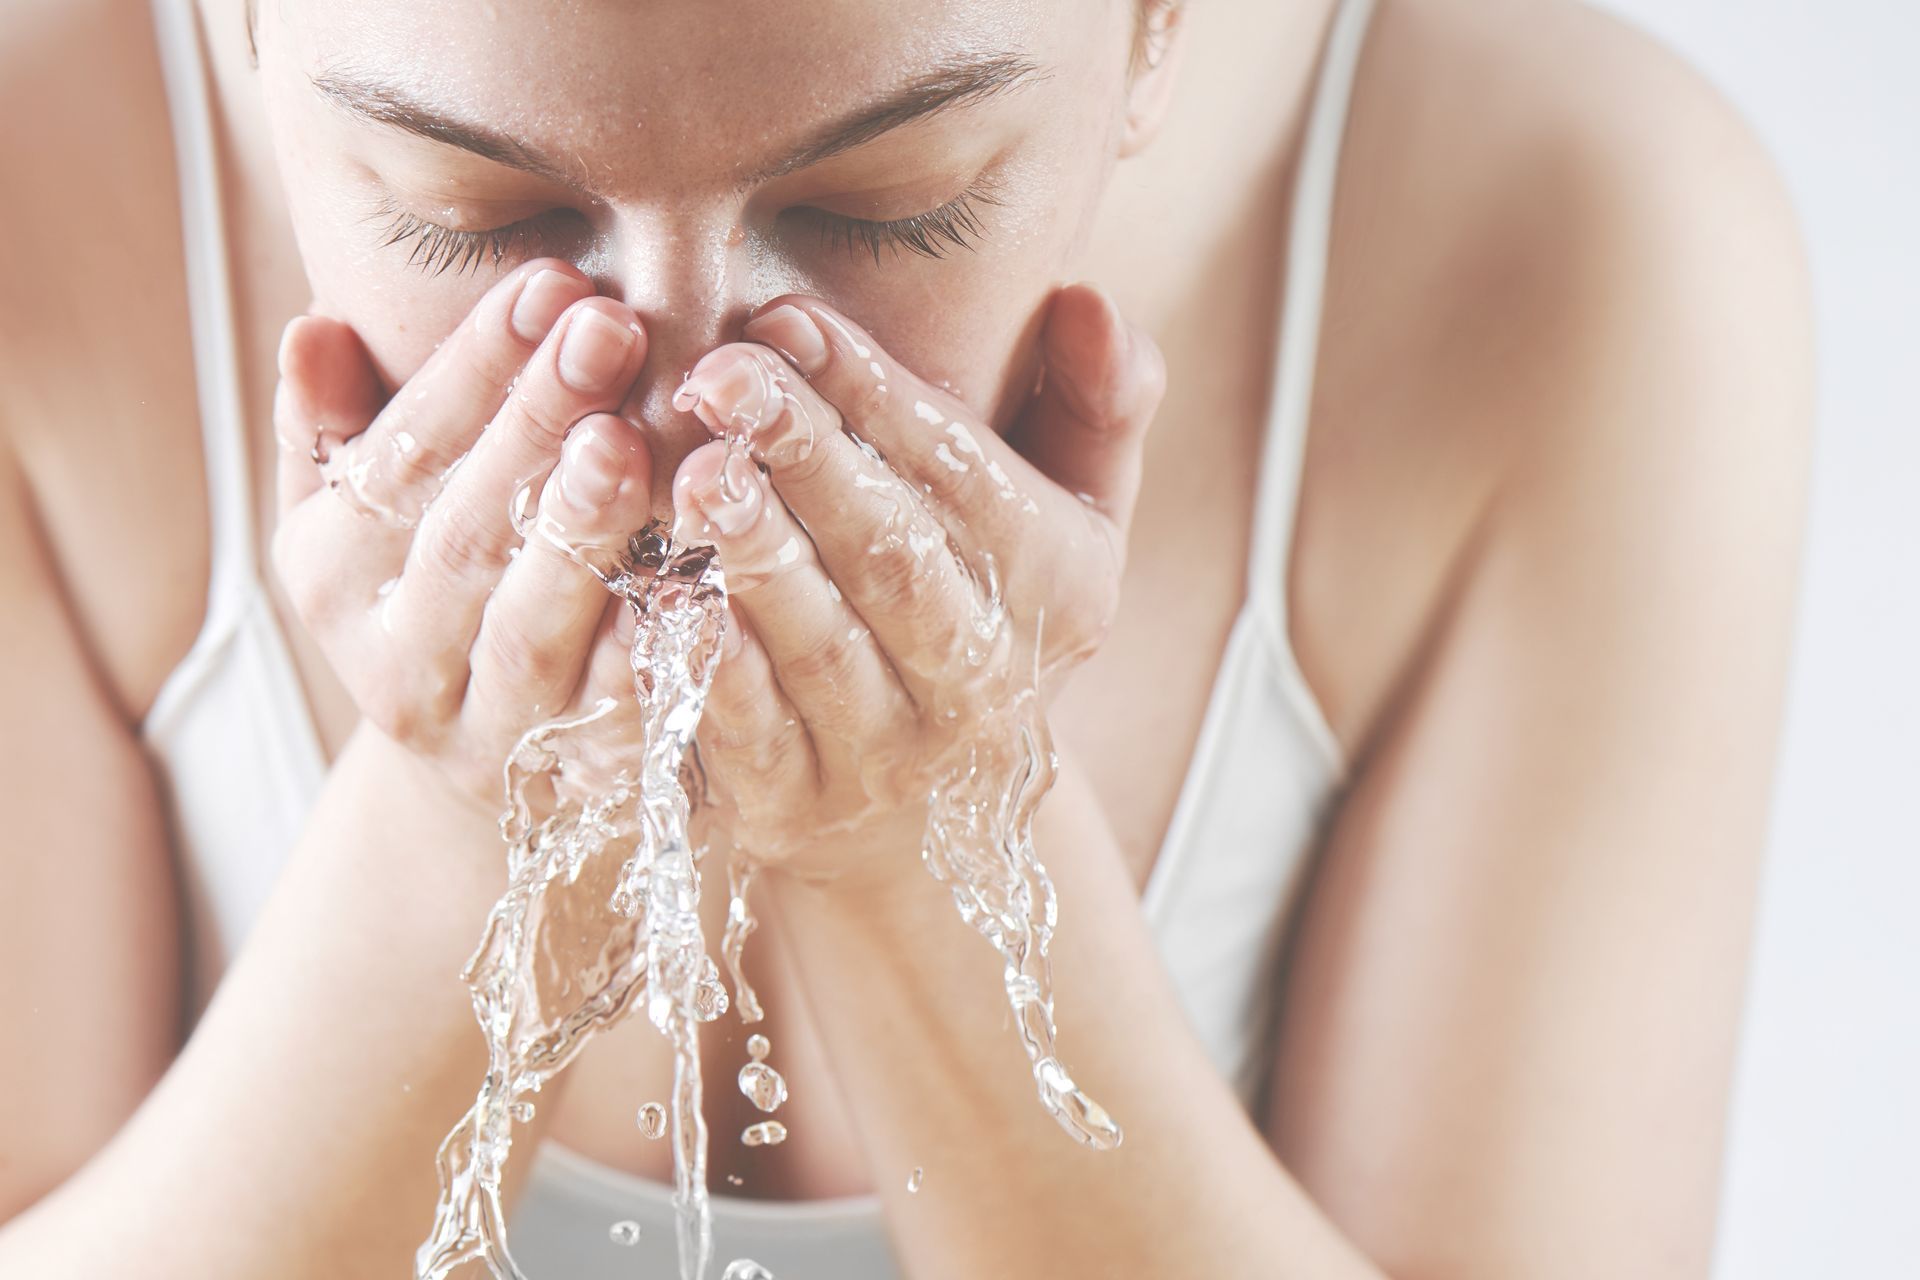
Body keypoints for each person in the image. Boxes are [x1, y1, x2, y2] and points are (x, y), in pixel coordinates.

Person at [0, 0, 1813, 1275]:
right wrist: (457, 816)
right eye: (478, 212)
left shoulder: (1570, 235)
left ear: (1155, 27)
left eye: (884, 201)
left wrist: (934, 847)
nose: (689, 387)